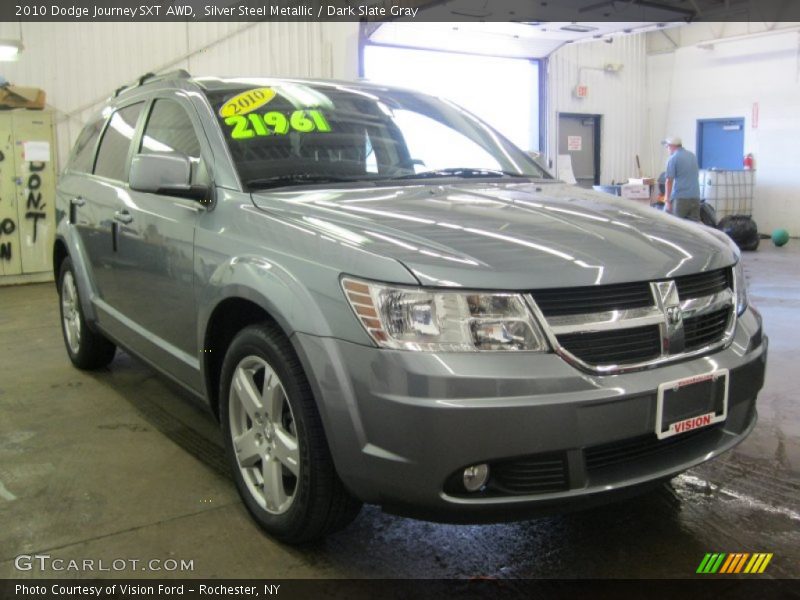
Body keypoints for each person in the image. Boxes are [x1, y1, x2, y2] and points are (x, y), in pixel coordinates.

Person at [662, 136, 701, 221]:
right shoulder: (692, 156)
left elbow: (669, 181)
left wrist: (667, 200)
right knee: (695, 227)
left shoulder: (673, 159)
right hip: (695, 197)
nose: (667, 149)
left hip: (681, 199)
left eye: (667, 147)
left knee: (677, 227)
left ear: (672, 146)